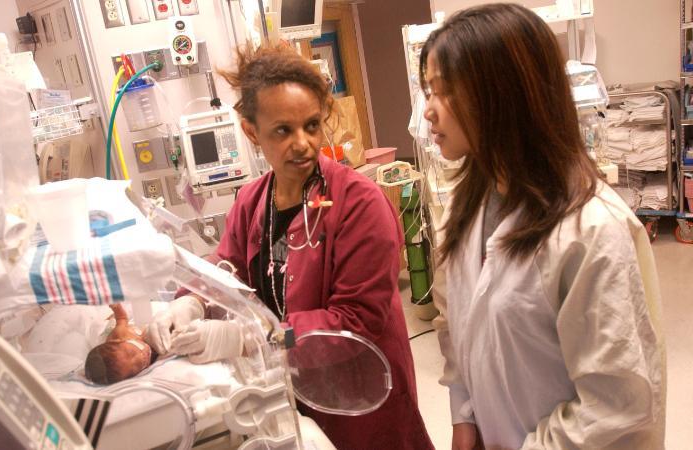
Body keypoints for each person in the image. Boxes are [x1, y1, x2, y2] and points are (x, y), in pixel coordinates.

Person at [145, 45, 433, 449]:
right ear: (251, 131)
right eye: (283, 130)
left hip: (357, 400)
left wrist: (252, 337)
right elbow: (227, 263)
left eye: (312, 125)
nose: (302, 143)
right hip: (287, 394)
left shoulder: (360, 204)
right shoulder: (252, 200)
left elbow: (355, 321)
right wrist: (192, 299)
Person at [421, 4, 666, 450]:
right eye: (427, 91)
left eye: (444, 92)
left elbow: (617, 403)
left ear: (502, 94)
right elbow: (458, 324)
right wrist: (464, 416)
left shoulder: (590, 230)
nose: (428, 113)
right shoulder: (468, 205)